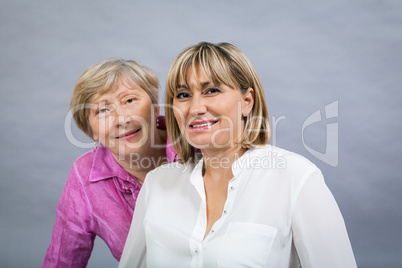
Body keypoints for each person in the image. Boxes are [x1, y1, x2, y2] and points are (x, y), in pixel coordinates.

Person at [119, 42, 357, 267]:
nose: (196, 108)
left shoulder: (295, 178)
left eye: (212, 90)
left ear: (247, 102)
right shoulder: (157, 183)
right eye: (183, 95)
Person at [42, 59, 176, 267]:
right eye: (102, 111)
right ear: (92, 131)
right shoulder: (85, 176)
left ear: (155, 105)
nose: (121, 119)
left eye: (130, 100)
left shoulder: (195, 141)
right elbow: (62, 261)